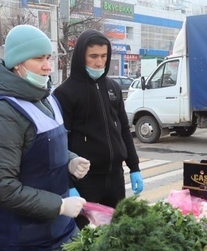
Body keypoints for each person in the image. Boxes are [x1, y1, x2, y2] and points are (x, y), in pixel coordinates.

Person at [0, 25, 91, 251]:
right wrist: (59, 205)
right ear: (17, 64)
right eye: (38, 58)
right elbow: (2, 186)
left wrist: (70, 162)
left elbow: (40, 152)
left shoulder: (46, 98)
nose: (48, 66)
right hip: (20, 246)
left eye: (48, 57)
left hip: (60, 233)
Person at [54, 29, 143, 225]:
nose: (99, 62)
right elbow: (60, 143)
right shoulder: (65, 93)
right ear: (80, 57)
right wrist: (68, 184)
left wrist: (134, 167)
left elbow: (124, 131)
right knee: (86, 240)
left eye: (104, 56)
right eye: (93, 56)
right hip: (85, 180)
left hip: (114, 177)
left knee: (115, 233)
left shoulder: (113, 88)